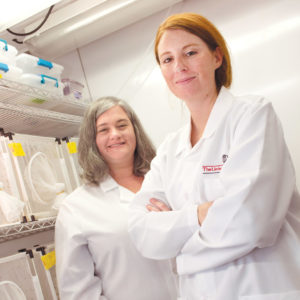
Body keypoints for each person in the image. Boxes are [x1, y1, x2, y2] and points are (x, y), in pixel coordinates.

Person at [128, 12, 300, 300]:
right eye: (167, 59)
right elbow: (142, 232)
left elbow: (250, 221)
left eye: (190, 52)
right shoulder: (171, 150)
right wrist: (200, 214)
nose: (179, 66)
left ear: (216, 58)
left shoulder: (252, 115)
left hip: (263, 287)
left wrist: (180, 253)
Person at [55, 96, 178, 300]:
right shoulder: (75, 208)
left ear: (135, 131)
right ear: (91, 140)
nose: (115, 134)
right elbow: (77, 292)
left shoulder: (166, 182)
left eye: (122, 125)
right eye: (103, 130)